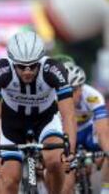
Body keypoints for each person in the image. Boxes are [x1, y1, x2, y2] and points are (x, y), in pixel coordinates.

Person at [0, 31, 77, 193]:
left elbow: (68, 115)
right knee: (9, 181)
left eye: (33, 65)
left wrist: (70, 152)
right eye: (21, 66)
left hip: (45, 120)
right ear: (12, 62)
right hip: (11, 124)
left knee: (55, 162)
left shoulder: (54, 70)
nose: (27, 71)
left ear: (40, 61)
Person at [61, 64, 109, 194]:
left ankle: (106, 190)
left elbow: (102, 130)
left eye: (78, 88)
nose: (77, 93)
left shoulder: (93, 95)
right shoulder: (53, 97)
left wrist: (106, 151)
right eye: (71, 90)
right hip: (66, 133)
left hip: (88, 131)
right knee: (66, 180)